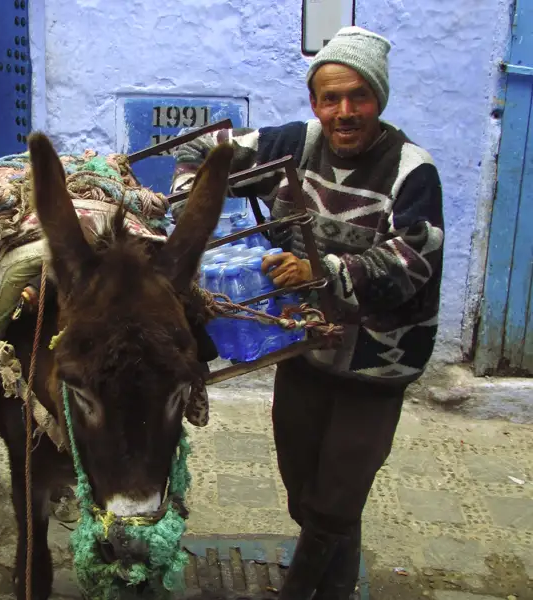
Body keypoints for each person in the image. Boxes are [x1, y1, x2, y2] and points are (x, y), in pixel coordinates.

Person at [169, 26, 444, 599]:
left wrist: (322, 273)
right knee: (303, 489)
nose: (343, 112)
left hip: (377, 360)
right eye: (329, 98)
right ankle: (337, 580)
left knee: (337, 495)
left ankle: (305, 589)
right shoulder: (293, 144)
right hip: (303, 347)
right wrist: (196, 203)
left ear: (378, 98)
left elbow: (412, 259)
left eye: (358, 97)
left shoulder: (411, 169)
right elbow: (203, 151)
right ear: (315, 102)